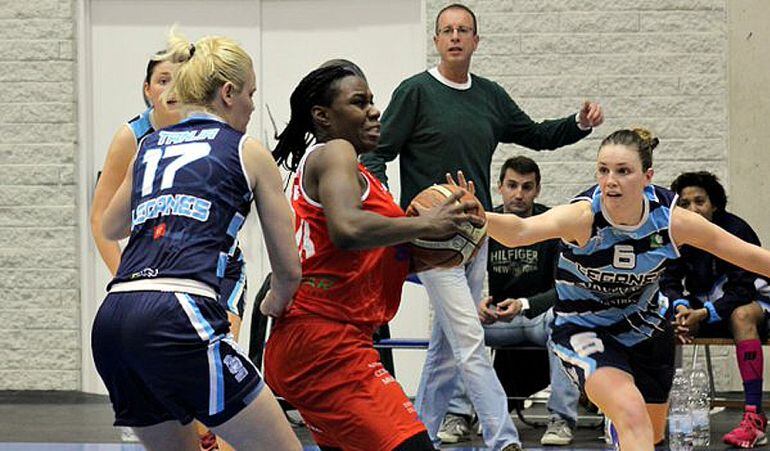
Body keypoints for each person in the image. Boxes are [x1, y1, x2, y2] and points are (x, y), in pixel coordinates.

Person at [361, 3, 603, 449]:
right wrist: (394, 216)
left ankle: (422, 434)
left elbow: (535, 134)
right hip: (432, 240)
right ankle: (502, 438)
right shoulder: (415, 92)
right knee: (471, 341)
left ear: (475, 41)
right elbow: (378, 152)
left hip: (477, 236)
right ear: (436, 41)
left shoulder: (489, 95)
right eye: (446, 30)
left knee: (446, 346)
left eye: (463, 30)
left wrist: (578, 124)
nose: (455, 36)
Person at [465, 128, 770, 450]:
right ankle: (620, 427)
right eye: (603, 170)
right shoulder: (583, 217)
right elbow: (520, 231)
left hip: (648, 330)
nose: (611, 180)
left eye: (623, 171)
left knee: (649, 436)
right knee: (632, 414)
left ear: (647, 176)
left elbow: (751, 256)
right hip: (586, 329)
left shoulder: (671, 221)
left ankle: (620, 434)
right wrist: (478, 216)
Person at [91, 30, 302, 451]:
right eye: (249, 93)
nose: (253, 104)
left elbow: (113, 226)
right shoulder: (247, 149)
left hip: (113, 320)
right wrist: (275, 301)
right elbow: (289, 267)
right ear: (227, 93)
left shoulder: (148, 145)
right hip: (180, 311)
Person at [265, 62, 483, 451]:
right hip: (325, 343)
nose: (374, 110)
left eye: (372, 100)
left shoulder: (352, 172)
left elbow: (366, 253)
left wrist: (447, 242)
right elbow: (347, 230)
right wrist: (423, 225)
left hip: (322, 341)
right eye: (359, 102)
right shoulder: (336, 152)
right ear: (323, 117)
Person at [438, 156, 580, 446]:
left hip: (539, 317)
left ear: (537, 190)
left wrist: (525, 305)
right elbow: (458, 278)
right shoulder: (485, 223)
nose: (519, 194)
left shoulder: (551, 225)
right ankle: (457, 415)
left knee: (565, 321)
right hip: (499, 319)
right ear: (499, 187)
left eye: (527, 187)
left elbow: (566, 288)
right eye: (512, 185)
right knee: (458, 323)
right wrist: (475, 304)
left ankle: (561, 420)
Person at [663, 171, 770, 448]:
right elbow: (668, 280)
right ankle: (649, 413)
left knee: (742, 315)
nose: (692, 209)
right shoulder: (677, 233)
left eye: (700, 201)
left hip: (757, 304)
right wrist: (682, 308)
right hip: (707, 306)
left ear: (715, 205)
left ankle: (754, 419)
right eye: (684, 204)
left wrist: (705, 313)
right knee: (655, 316)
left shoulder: (736, 230)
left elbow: (743, 289)